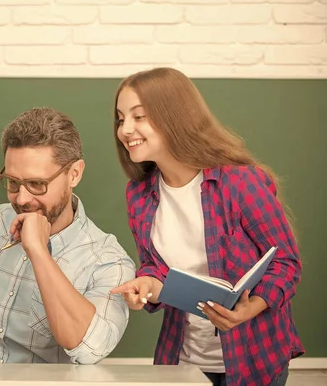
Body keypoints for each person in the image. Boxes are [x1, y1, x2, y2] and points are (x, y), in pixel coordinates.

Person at [109, 67, 303, 386]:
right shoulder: (139, 195)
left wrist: (247, 309)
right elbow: (156, 269)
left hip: (253, 360)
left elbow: (286, 263)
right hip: (183, 360)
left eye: (138, 116)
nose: (125, 129)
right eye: (120, 118)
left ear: (174, 116)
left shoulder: (240, 183)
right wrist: (146, 285)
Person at [0, 107, 136, 365]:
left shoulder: (107, 261)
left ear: (74, 174)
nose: (22, 199)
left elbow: (89, 349)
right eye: (13, 182)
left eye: (37, 184)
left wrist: (38, 251)